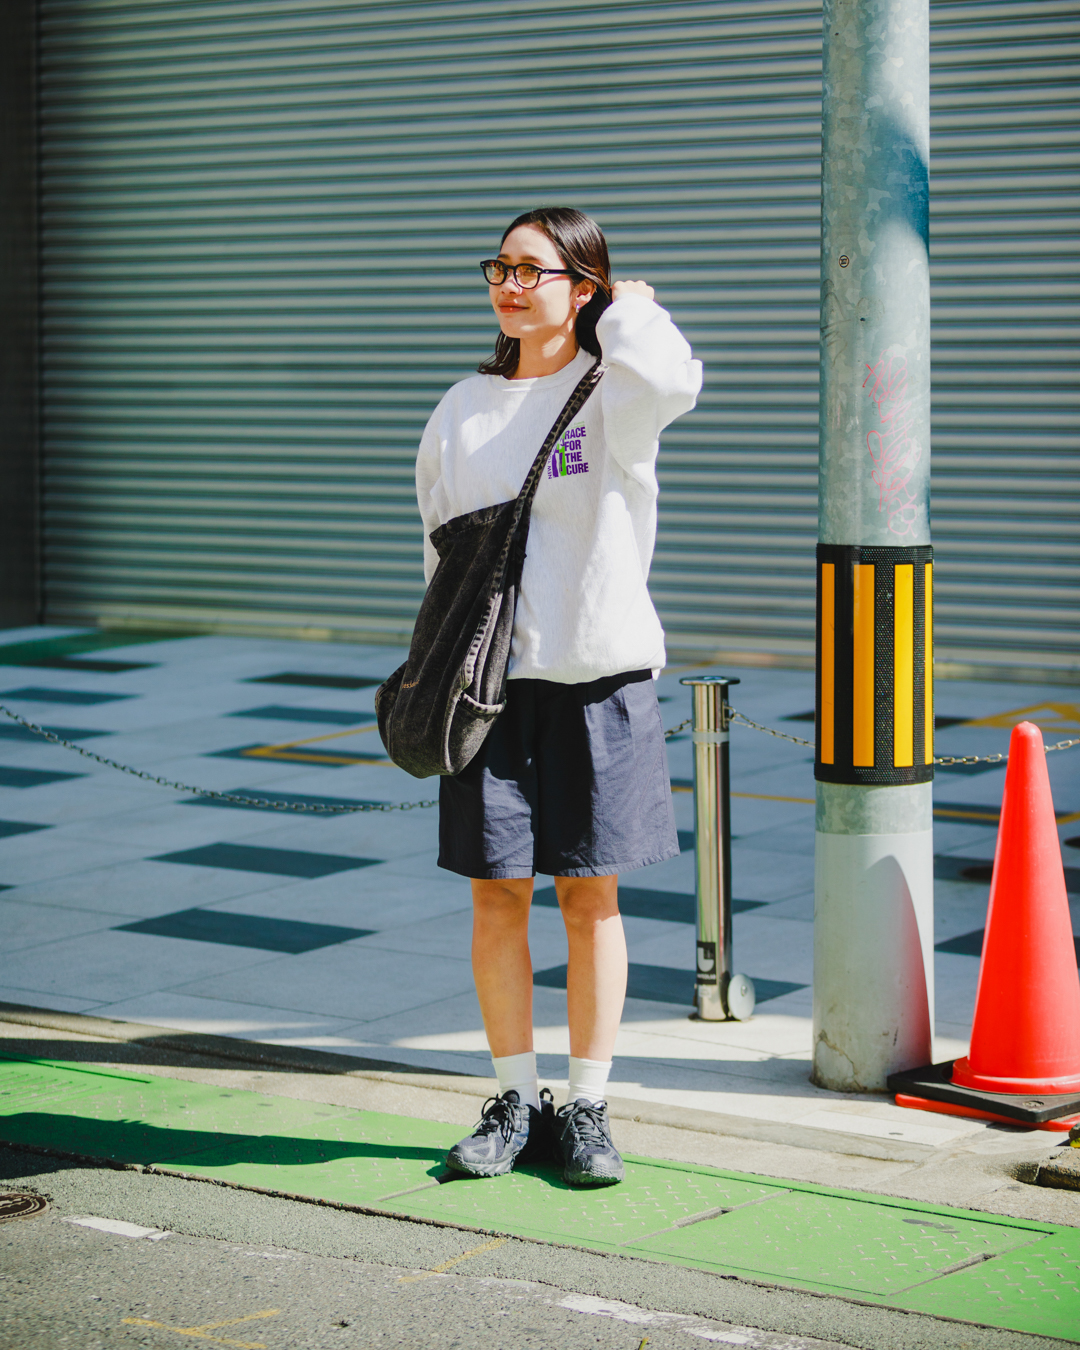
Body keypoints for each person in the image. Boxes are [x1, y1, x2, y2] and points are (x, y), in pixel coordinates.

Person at [415, 207, 702, 1186]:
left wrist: (628, 311)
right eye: (499, 267)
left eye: (532, 270)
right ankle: (513, 1100)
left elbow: (676, 379)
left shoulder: (615, 391)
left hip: (597, 679)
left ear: (582, 288)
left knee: (589, 895)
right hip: (489, 688)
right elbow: (438, 550)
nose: (508, 284)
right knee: (497, 894)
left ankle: (587, 1107)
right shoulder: (463, 406)